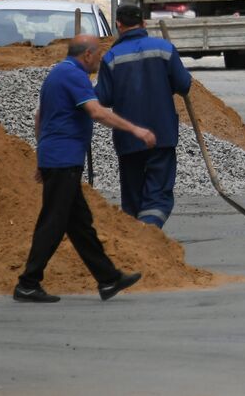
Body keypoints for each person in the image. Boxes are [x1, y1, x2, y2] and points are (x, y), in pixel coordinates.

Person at [15, 34, 155, 303]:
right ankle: (28, 283)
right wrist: (136, 129)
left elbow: (39, 117)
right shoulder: (74, 76)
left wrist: (43, 155)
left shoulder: (58, 73)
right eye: (99, 54)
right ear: (88, 54)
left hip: (58, 158)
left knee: (80, 225)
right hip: (64, 160)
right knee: (53, 223)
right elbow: (97, 112)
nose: (100, 60)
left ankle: (108, 279)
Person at [95, 5, 194, 228]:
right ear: (144, 23)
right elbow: (184, 85)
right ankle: (148, 231)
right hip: (162, 134)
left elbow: (103, 98)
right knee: (158, 194)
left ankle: (139, 239)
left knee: (133, 199)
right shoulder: (164, 49)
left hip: (128, 139)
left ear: (118, 25)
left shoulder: (111, 57)